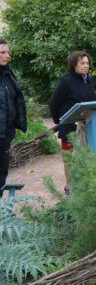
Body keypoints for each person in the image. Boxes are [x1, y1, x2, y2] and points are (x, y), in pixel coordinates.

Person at [50, 51, 96, 195]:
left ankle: (88, 185)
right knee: (70, 158)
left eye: (87, 63)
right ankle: (69, 186)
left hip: (89, 125)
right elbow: (54, 103)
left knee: (91, 156)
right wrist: (60, 121)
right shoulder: (65, 80)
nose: (86, 66)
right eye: (82, 63)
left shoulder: (90, 79)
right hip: (70, 126)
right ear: (73, 64)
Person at [0, 39, 27, 198]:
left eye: (8, 52)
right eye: (3, 52)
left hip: (5, 133)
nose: (7, 55)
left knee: (2, 171)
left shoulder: (8, 73)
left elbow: (17, 100)